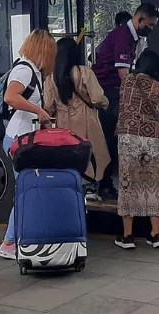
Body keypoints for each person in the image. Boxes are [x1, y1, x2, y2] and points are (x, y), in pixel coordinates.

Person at [0, 29, 57, 260]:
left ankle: (20, 238)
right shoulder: (24, 70)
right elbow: (11, 97)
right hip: (19, 141)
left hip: (25, 139)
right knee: (26, 190)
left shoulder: (31, 70)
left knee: (29, 189)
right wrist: (39, 110)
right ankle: (9, 243)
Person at [92, 3, 159, 198]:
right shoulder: (123, 36)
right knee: (112, 139)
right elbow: (123, 74)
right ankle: (105, 184)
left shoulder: (132, 37)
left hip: (113, 91)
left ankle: (108, 182)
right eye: (150, 24)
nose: (151, 29)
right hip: (108, 92)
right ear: (140, 19)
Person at [114, 50, 159, 250]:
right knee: (154, 184)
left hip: (128, 137)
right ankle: (156, 235)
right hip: (152, 138)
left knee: (128, 183)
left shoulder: (128, 81)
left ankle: (127, 236)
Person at [44, 37, 110, 201]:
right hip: (86, 118)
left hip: (63, 122)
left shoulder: (51, 78)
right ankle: (90, 187)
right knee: (91, 152)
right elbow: (97, 98)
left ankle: (70, 185)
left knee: (69, 153)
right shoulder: (84, 72)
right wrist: (107, 104)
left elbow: (48, 106)